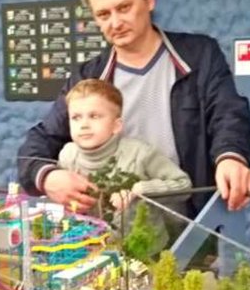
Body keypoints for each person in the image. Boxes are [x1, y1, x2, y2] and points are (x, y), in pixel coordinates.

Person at [18, 0, 250, 212]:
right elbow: (42, 138)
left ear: (149, 0)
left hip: (189, 215)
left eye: (124, 7)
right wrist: (47, 177)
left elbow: (228, 113)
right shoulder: (89, 76)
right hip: (114, 221)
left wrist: (231, 156)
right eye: (103, 14)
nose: (115, 23)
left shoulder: (199, 55)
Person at [57, 79, 191, 212]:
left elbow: (183, 185)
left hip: (141, 226)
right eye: (76, 118)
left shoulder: (140, 154)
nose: (84, 125)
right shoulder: (67, 155)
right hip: (83, 226)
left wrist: (142, 190)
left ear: (116, 125)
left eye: (94, 116)